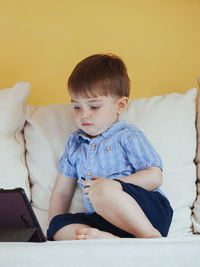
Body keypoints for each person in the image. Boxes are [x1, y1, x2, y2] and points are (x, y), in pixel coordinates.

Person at [47, 53, 173, 241]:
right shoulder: (74, 144)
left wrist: (115, 185)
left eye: (94, 107)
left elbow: (155, 177)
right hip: (105, 220)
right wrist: (51, 229)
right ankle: (105, 238)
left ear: (120, 105)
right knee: (57, 226)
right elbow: (62, 191)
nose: (84, 115)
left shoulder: (128, 136)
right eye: (77, 107)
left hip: (146, 213)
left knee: (101, 189)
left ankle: (149, 236)